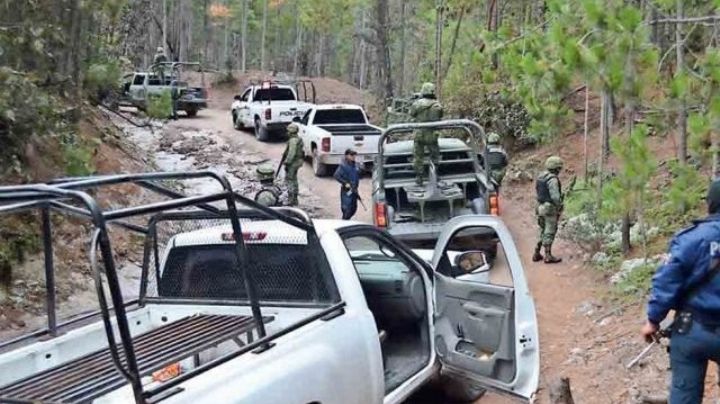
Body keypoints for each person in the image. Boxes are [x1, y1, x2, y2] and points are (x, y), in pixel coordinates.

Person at [642, 179, 720, 404]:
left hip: (692, 329)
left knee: (684, 396)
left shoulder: (691, 238)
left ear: (710, 203)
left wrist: (653, 320)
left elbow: (667, 281)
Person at [409, 82, 443, 186]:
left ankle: (419, 178)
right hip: (432, 134)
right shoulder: (437, 105)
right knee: (435, 155)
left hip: (419, 134)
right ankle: (435, 175)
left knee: (418, 156)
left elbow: (411, 114)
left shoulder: (417, 104)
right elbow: (440, 115)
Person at [533, 156, 564, 264]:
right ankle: (548, 255)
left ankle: (537, 252)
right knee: (550, 231)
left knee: (542, 230)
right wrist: (560, 205)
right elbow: (555, 197)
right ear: (556, 168)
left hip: (539, 206)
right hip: (549, 208)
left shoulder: (541, 176)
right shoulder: (552, 180)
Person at [334, 149, 361, 220]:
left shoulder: (355, 165)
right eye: (351, 155)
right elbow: (336, 176)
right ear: (347, 156)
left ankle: (347, 220)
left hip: (354, 190)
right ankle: (344, 222)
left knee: (353, 208)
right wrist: (345, 183)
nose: (353, 157)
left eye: (354, 155)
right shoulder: (343, 166)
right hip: (347, 191)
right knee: (346, 209)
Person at [282, 123, 304, 206]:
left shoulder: (293, 141)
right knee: (294, 180)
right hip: (298, 162)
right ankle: (295, 199)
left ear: (291, 132)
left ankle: (291, 200)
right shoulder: (298, 139)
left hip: (293, 163)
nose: (287, 133)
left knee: (290, 180)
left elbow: (291, 153)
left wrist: (287, 162)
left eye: (288, 131)